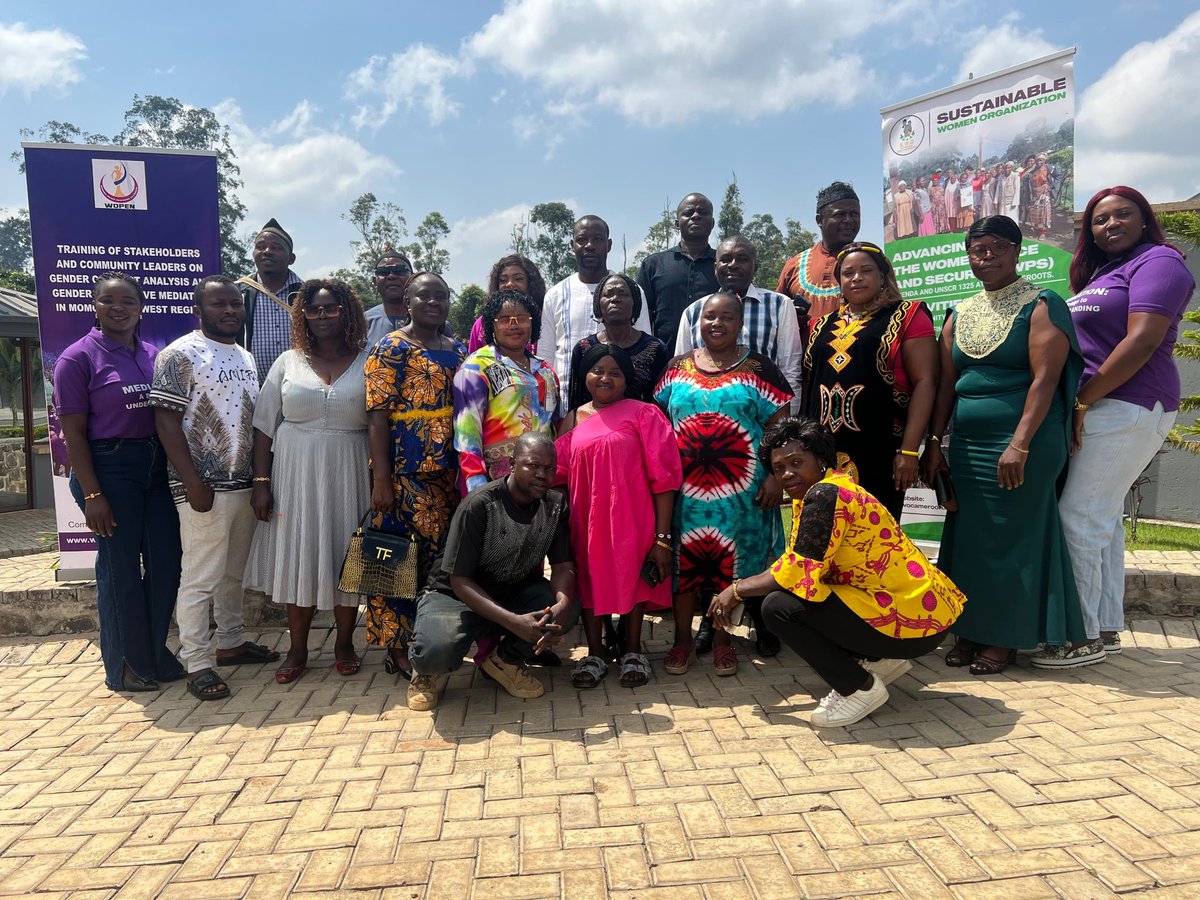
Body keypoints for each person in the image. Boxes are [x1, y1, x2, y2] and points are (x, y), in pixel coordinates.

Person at [708, 418, 967, 728]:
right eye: (778, 468)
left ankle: (859, 689)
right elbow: (797, 562)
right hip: (924, 616)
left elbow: (794, 572)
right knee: (800, 595)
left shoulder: (825, 496)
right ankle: (878, 661)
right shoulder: (828, 489)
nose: (787, 473)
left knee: (778, 608)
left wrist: (736, 590)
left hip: (915, 622)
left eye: (796, 462)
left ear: (821, 460)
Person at [921, 216, 1088, 675]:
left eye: (997, 247)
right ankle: (970, 629)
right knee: (970, 538)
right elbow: (946, 386)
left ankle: (1004, 637)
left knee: (1013, 537)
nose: (986, 256)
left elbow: (1045, 380)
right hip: (968, 444)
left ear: (1017, 250)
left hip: (1024, 441)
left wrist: (1020, 444)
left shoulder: (1042, 304)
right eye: (977, 250)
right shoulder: (958, 312)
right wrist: (934, 443)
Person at [1039, 186, 1196, 667]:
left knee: (1079, 516)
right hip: (1100, 405)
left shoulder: (1160, 261)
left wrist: (1083, 399)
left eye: (1122, 214)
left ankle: (1077, 636)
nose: (1110, 224)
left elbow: (1143, 339)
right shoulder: (1104, 273)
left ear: (1145, 219)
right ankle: (1103, 627)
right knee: (1102, 519)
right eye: (1100, 219)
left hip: (1129, 402)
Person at [151, 275, 280, 701]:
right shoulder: (180, 354)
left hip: (243, 484)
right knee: (200, 577)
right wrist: (192, 481)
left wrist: (260, 480)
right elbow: (166, 421)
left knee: (232, 573)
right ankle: (197, 663)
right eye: (219, 304)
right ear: (198, 310)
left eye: (235, 304)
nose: (229, 311)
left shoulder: (244, 355)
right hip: (202, 488)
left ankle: (231, 642)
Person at [53, 273, 183, 693]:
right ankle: (126, 664)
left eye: (128, 301)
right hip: (108, 468)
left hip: (154, 466)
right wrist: (93, 494)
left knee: (165, 564)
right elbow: (73, 434)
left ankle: (154, 654)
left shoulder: (152, 354)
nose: (119, 308)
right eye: (109, 300)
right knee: (120, 570)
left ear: (141, 307)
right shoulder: (78, 358)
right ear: (94, 306)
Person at [656, 291, 794, 677]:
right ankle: (682, 640)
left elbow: (781, 427)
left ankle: (722, 641)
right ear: (698, 322)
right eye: (709, 317)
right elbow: (659, 425)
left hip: (742, 493)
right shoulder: (676, 368)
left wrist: (774, 475)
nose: (717, 323)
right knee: (685, 566)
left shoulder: (760, 369)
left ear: (740, 323)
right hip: (686, 492)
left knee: (732, 567)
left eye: (727, 317)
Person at [243, 279, 371, 684]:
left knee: (347, 555)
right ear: (303, 316)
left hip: (350, 469)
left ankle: (345, 643)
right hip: (294, 474)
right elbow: (264, 426)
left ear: (347, 312)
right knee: (298, 556)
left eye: (331, 307)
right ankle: (297, 649)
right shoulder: (288, 362)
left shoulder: (369, 360)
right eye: (313, 309)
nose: (322, 315)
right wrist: (261, 482)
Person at [407, 433, 579, 711]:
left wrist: (562, 603)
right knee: (437, 650)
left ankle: (503, 661)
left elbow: (562, 566)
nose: (542, 474)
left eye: (549, 468)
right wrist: (514, 622)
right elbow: (459, 581)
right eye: (533, 465)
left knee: (567, 610)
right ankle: (424, 671)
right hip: (454, 596)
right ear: (512, 464)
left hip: (512, 590)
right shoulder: (480, 505)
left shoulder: (555, 506)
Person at [556, 343, 681, 688]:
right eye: (598, 371)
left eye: (615, 373)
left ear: (627, 379)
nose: (605, 378)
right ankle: (595, 653)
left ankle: (632, 650)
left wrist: (662, 537)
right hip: (586, 521)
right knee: (588, 580)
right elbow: (557, 477)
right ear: (585, 375)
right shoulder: (572, 420)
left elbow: (664, 480)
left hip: (633, 519)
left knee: (633, 578)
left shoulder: (644, 414)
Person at [364, 272, 468, 678]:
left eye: (441, 295)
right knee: (395, 559)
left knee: (439, 561)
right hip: (405, 473)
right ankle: (397, 648)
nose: (434, 302)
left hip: (449, 474)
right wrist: (381, 480)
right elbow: (376, 418)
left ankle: (431, 639)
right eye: (425, 296)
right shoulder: (390, 348)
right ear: (407, 302)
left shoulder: (458, 349)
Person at [804, 242, 937, 519]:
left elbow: (926, 382)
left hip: (882, 449)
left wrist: (909, 451)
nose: (856, 278)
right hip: (824, 452)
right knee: (822, 531)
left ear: (883, 276)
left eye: (866, 270)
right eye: (848, 273)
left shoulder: (907, 316)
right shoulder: (820, 324)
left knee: (875, 533)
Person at [675, 235, 804, 409]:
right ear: (715, 268)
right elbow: (682, 372)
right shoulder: (694, 311)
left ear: (755, 267)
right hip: (705, 414)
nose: (733, 265)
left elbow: (790, 369)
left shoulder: (780, 305)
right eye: (726, 259)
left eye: (742, 259)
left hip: (764, 415)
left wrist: (789, 420)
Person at [454, 289, 561, 493]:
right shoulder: (476, 368)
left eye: (522, 318)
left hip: (542, 482)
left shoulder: (545, 371)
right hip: (497, 484)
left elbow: (555, 427)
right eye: (504, 319)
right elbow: (467, 436)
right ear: (491, 325)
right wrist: (477, 489)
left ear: (533, 323)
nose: (514, 325)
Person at [541, 215, 652, 407]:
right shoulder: (555, 294)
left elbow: (644, 349)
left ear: (609, 245)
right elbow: (545, 356)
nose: (590, 246)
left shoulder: (631, 292)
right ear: (572, 245)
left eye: (598, 239)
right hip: (566, 405)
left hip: (622, 406)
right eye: (582, 239)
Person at [566, 272, 671, 409]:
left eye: (623, 294)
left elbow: (662, 402)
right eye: (608, 294)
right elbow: (576, 403)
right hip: (592, 421)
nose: (615, 299)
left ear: (635, 302)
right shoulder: (584, 348)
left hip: (642, 421)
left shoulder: (655, 348)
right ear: (598, 303)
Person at [637, 193, 720, 349]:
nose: (696, 216)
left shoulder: (724, 266)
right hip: (664, 357)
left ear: (713, 223)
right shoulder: (653, 264)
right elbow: (641, 316)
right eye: (688, 213)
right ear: (677, 223)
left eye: (703, 212)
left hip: (715, 357)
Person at [777, 182, 862, 329]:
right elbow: (775, 314)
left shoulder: (873, 263)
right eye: (840, 214)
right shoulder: (794, 265)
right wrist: (790, 316)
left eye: (854, 214)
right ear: (819, 220)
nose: (849, 220)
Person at [237, 219, 303, 383]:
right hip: (250, 387)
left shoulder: (306, 294)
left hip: (299, 387)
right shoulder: (238, 293)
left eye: (276, 247)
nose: (267, 251)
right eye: (260, 246)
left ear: (291, 258)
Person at [467, 255, 548, 354]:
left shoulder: (545, 318)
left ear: (531, 283)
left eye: (518, 279)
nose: (510, 284)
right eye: (503, 280)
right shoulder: (481, 324)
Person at [364, 250, 414, 346]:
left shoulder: (434, 321)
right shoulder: (361, 324)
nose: (391, 276)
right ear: (374, 281)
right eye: (383, 272)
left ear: (413, 278)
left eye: (399, 270)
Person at [1028, 154, 1053, 241]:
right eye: (1038, 160)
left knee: (1044, 214)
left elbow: (1058, 176)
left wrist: (1050, 187)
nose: (1039, 162)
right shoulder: (1032, 171)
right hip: (1035, 194)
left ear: (1044, 161)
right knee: (1035, 214)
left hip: (1044, 194)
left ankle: (1043, 233)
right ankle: (1036, 232)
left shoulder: (1048, 168)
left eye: (1041, 160)